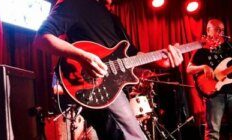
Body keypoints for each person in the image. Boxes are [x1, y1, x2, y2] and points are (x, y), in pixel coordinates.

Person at [33, 0, 183, 139]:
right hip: (94, 85)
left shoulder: (114, 19)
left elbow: (133, 55)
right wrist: (83, 57)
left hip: (117, 90)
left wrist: (161, 62)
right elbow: (42, 38)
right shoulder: (76, 3)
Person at [187, 19, 232, 140]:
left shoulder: (228, 47)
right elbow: (189, 69)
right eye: (217, 29)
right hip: (213, 94)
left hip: (231, 90)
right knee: (213, 132)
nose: (221, 33)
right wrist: (204, 66)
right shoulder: (202, 48)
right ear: (208, 30)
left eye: (222, 30)